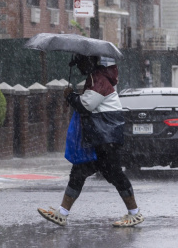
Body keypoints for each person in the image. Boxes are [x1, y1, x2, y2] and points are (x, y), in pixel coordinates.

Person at [37, 54, 144, 227]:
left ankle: (135, 213)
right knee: (79, 172)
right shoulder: (95, 79)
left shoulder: (99, 79)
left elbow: (86, 105)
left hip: (106, 138)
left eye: (80, 63)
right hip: (99, 138)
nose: (78, 67)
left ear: (90, 61)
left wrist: (71, 96)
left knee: (115, 174)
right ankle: (62, 213)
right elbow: (88, 103)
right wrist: (73, 97)